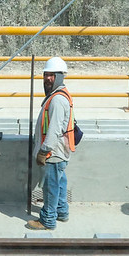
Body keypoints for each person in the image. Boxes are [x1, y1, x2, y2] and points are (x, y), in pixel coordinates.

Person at [27, 57, 77, 230]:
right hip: (59, 151)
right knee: (60, 182)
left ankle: (48, 220)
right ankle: (62, 211)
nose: (48, 78)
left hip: (53, 153)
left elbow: (55, 129)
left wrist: (43, 151)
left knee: (50, 187)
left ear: (60, 76)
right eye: (46, 75)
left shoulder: (56, 99)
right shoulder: (57, 96)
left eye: (52, 75)